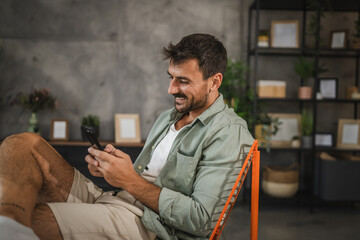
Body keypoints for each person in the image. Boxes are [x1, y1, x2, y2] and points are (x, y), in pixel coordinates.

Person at [0, 33, 254, 240]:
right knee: (23, 144)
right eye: (171, 78)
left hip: (152, 226)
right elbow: (147, 176)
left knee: (34, 218)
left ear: (215, 81)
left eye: (183, 81)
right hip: (115, 198)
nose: (171, 89)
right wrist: (114, 169)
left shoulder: (228, 132)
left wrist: (129, 180)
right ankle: (9, 224)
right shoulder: (169, 118)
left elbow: (202, 221)